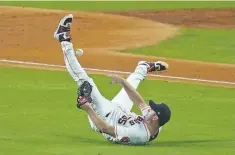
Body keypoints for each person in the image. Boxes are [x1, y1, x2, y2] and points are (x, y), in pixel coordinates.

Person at [54, 14, 171, 145]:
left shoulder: (137, 135)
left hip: (103, 117)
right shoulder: (155, 122)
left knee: (85, 81)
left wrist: (88, 108)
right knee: (129, 86)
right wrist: (123, 82)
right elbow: (140, 103)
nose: (149, 108)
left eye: (152, 109)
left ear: (155, 117)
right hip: (121, 111)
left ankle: (63, 39)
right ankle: (142, 68)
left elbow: (104, 128)